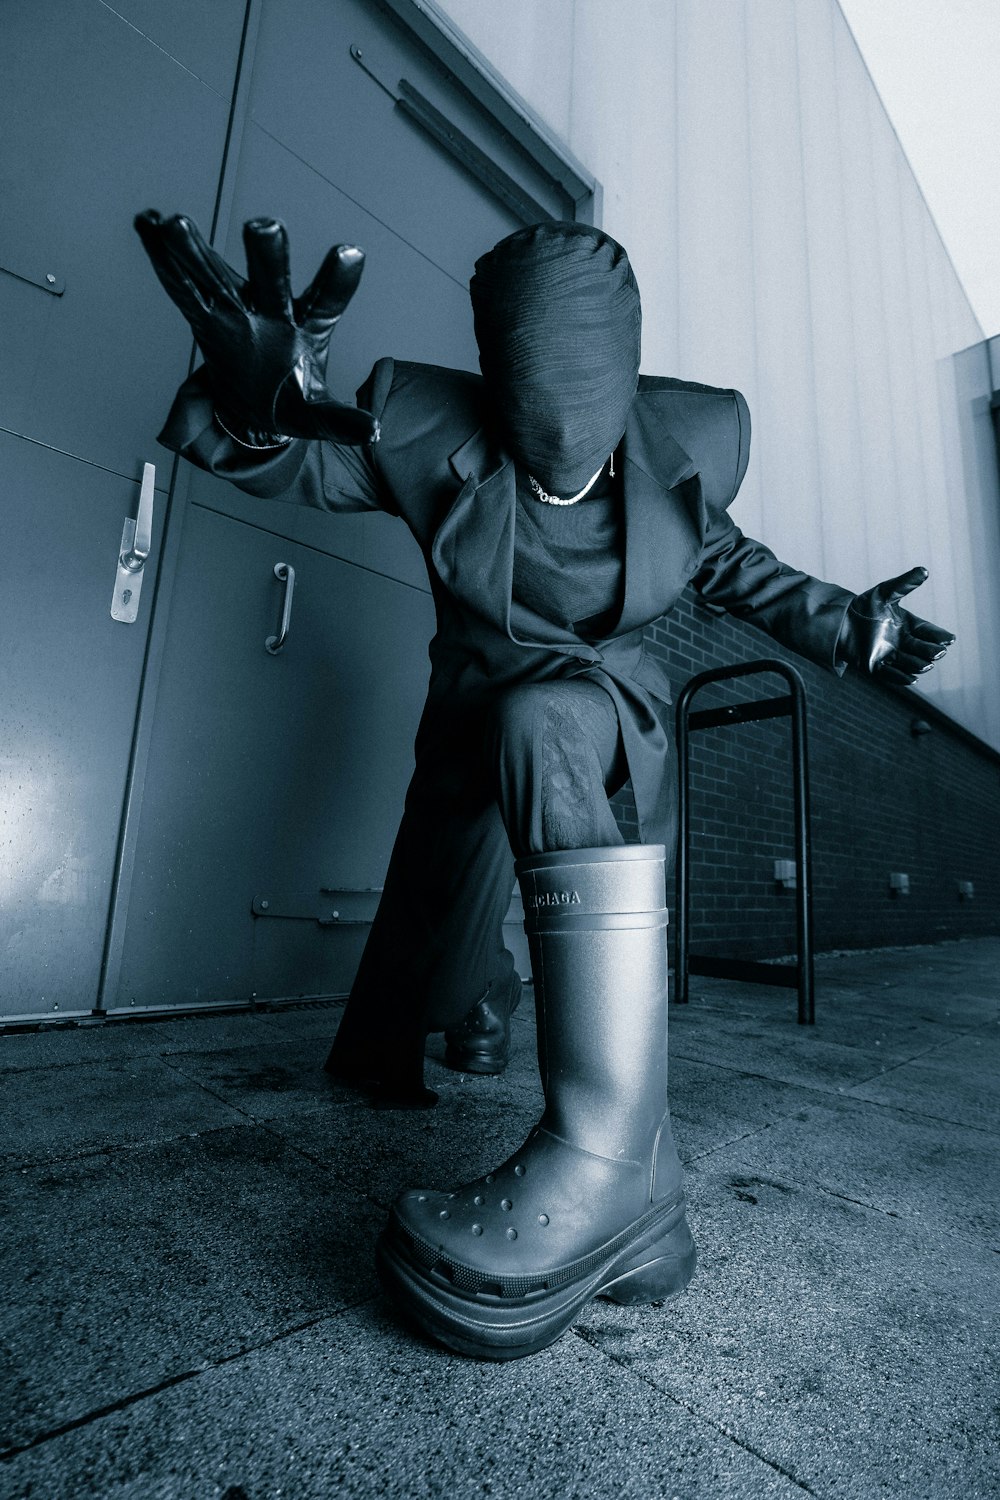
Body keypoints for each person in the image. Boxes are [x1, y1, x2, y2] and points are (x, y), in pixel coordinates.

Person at [134, 212, 954, 1360]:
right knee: (439, 920)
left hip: (593, 707)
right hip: (473, 704)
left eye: (588, 414)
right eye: (533, 418)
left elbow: (737, 569)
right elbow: (287, 460)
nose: (562, 447)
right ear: (494, 384)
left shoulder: (682, 447)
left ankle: (608, 1159)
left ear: (625, 382)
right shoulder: (419, 424)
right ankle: (490, 1005)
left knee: (547, 724)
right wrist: (250, 411)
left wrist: (846, 626)